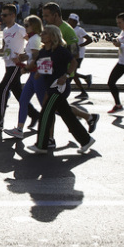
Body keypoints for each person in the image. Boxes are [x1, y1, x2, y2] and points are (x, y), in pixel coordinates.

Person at [28, 25, 95, 155]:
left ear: (52, 36)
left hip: (59, 88)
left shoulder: (60, 51)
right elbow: (45, 67)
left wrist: (65, 75)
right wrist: (39, 73)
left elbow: (74, 63)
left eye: (44, 33)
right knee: (68, 115)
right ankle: (86, 140)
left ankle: (41, 144)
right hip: (50, 87)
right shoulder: (44, 52)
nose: (41, 35)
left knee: (45, 114)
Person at [0, 4, 27, 130]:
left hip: (15, 65)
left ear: (13, 15)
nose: (2, 17)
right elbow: (5, 47)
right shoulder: (6, 30)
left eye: (5, 15)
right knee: (19, 93)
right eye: (2, 15)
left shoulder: (20, 29)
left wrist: (24, 55)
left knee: (2, 90)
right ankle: (35, 114)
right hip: (7, 64)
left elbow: (34, 41)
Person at [67, 13, 93, 98]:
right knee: (72, 73)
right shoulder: (68, 29)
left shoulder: (79, 30)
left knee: (72, 73)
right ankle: (85, 80)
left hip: (79, 55)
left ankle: (83, 90)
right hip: (71, 54)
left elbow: (89, 39)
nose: (69, 22)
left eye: (72, 20)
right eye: (69, 20)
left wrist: (79, 46)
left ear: (75, 22)